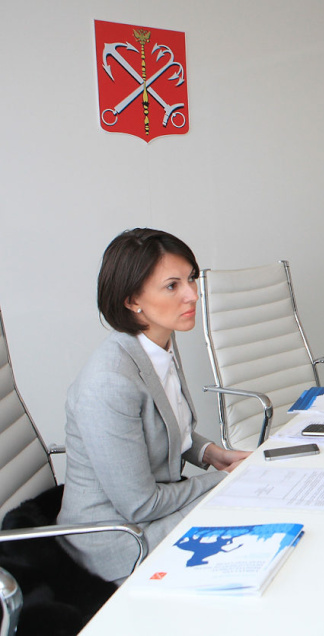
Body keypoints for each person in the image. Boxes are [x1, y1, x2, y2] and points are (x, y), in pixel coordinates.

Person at [57, 228, 250, 583]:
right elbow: (140, 505)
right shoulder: (109, 383)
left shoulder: (157, 346)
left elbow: (165, 425)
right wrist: (223, 479)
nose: (192, 294)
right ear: (133, 300)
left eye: (191, 279)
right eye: (172, 286)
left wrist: (210, 454)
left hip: (152, 514)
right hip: (119, 540)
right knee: (249, 510)